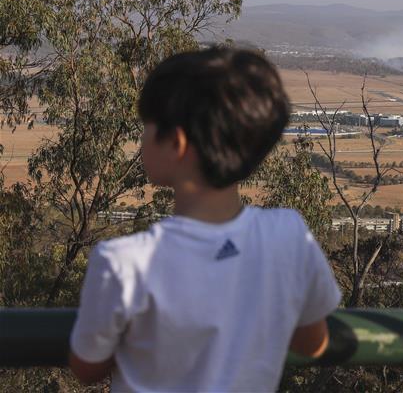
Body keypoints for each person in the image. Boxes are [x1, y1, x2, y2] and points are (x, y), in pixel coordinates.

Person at [68, 47, 342, 392]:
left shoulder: (124, 262)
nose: (141, 138)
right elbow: (312, 342)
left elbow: (87, 367)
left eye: (147, 126)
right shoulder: (289, 236)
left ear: (177, 143)